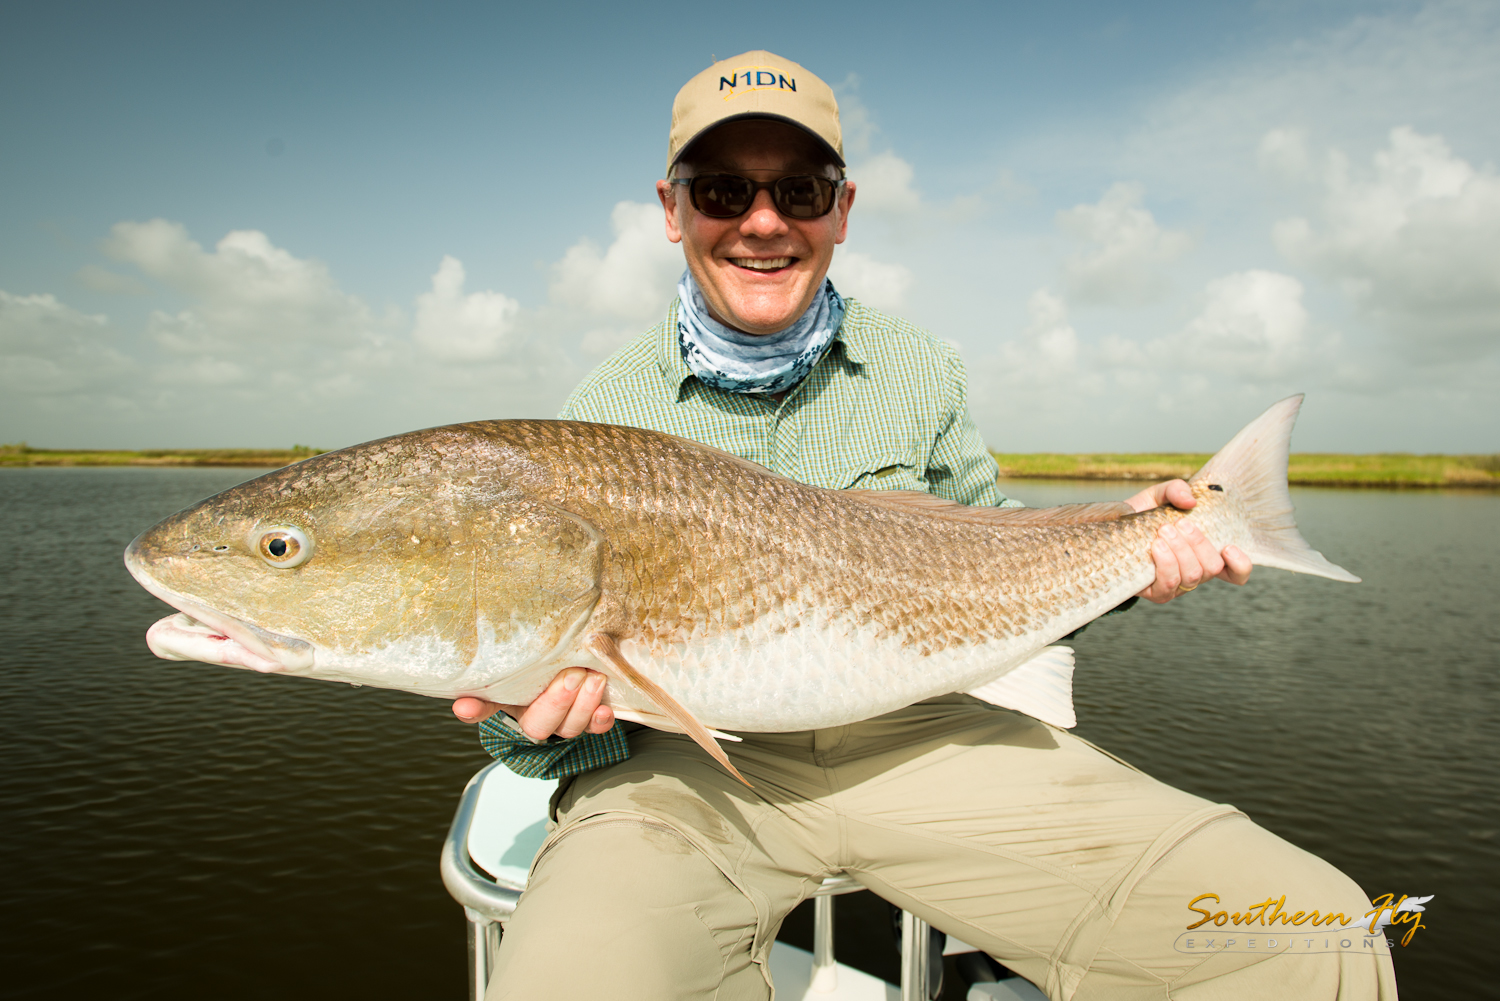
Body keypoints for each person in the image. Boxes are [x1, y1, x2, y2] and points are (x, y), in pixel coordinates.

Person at [453, 51, 1396, 1001]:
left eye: (800, 189)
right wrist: (533, 727)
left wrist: (1137, 542)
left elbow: (995, 561)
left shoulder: (921, 369)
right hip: (691, 770)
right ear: (672, 209)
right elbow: (540, 722)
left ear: (843, 208)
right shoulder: (599, 412)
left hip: (924, 732)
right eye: (724, 189)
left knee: (1316, 939)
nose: (764, 220)